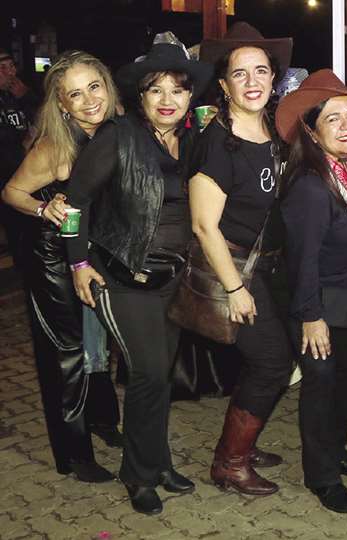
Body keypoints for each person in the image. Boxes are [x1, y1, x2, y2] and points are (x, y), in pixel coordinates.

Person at [65, 32, 212, 515]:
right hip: (121, 278)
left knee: (161, 377)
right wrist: (78, 263)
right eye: (156, 89)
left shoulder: (190, 140)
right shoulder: (117, 137)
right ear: (140, 96)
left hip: (172, 278)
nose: (167, 100)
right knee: (149, 374)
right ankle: (138, 474)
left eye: (178, 89)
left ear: (190, 95)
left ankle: (159, 462)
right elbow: (73, 205)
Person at [1, 50, 122, 482]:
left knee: (100, 341)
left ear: (107, 85)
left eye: (94, 86)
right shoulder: (56, 145)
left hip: (93, 251)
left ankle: (104, 422)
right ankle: (74, 455)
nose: (89, 100)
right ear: (62, 104)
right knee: (66, 352)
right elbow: (12, 192)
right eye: (75, 94)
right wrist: (41, 209)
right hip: (52, 256)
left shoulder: (116, 131)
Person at [193, 22, 294, 496]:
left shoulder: (276, 127)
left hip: (269, 267)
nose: (252, 81)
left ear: (274, 78)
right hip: (238, 270)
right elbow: (203, 225)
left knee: (266, 363)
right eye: (240, 74)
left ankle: (241, 445)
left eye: (261, 71)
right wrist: (234, 288)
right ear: (223, 83)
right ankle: (229, 463)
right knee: (271, 362)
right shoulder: (216, 140)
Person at [276, 69, 347, 513]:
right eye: (332, 119)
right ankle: (320, 476)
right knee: (320, 386)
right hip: (316, 301)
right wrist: (310, 316)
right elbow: (303, 260)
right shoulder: (311, 186)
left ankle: (336, 451)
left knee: (344, 384)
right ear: (313, 134)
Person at [0, 49, 40, 268]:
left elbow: (45, 120)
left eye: (11, 66)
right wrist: (24, 143)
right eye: (2, 68)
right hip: (7, 175)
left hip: (28, 172)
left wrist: (27, 97)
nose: (10, 72)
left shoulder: (21, 94)